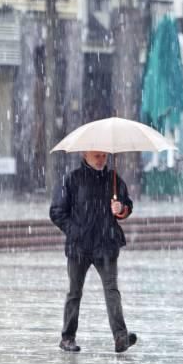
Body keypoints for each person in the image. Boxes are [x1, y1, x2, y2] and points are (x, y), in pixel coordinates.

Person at [50, 150, 138, 353]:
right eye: (96, 156)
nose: (101, 160)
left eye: (104, 156)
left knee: (112, 291)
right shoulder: (72, 179)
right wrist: (76, 231)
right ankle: (67, 337)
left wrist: (121, 209)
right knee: (74, 292)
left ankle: (120, 337)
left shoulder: (113, 179)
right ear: (85, 155)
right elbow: (56, 211)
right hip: (79, 246)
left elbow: (127, 206)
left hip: (106, 244)